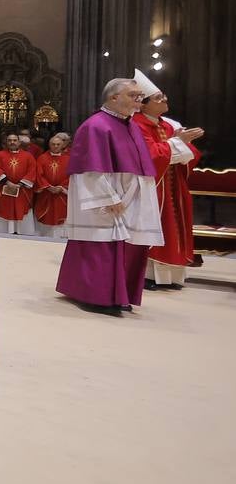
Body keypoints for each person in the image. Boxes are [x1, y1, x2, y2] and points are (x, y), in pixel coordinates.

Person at [55, 78, 163, 315]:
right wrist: (107, 197)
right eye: (133, 95)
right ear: (114, 98)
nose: (139, 100)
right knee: (101, 247)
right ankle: (97, 296)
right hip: (107, 199)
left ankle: (119, 295)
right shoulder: (96, 126)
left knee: (129, 246)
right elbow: (88, 169)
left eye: (139, 96)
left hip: (129, 198)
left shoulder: (130, 125)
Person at [131, 69, 204, 290]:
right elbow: (148, 155)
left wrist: (179, 143)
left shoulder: (169, 125)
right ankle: (147, 276)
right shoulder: (136, 124)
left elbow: (189, 153)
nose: (164, 99)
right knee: (154, 227)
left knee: (175, 228)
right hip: (152, 186)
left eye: (163, 95)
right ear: (143, 105)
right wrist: (176, 144)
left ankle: (170, 276)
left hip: (174, 185)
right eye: (157, 97)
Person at [0, 133, 38, 235]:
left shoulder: (28, 156)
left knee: (21, 209)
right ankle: (3, 231)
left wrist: (20, 184)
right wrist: (7, 182)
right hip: (4, 189)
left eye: (15, 140)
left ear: (19, 142)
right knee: (4, 209)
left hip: (22, 190)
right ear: (6, 142)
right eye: (10, 140)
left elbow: (32, 171)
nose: (12, 142)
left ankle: (23, 232)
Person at [33, 132, 71, 238]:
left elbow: (71, 176)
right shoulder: (42, 158)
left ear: (63, 145)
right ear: (49, 145)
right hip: (46, 194)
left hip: (62, 194)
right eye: (53, 144)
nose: (55, 146)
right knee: (46, 218)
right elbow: (38, 174)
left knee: (62, 216)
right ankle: (44, 237)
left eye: (58, 144)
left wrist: (61, 187)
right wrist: (48, 186)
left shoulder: (68, 159)